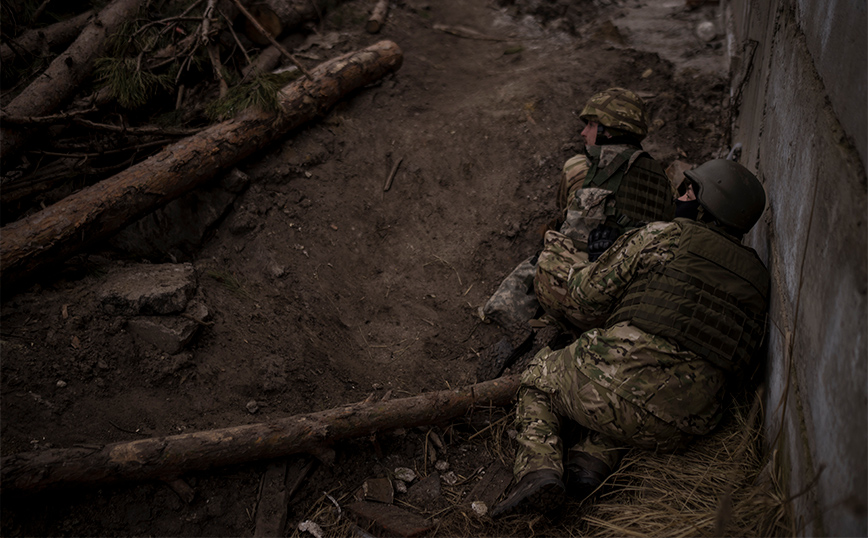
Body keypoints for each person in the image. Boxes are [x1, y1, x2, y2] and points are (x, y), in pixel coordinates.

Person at [490, 159, 770, 518]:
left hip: (617, 386)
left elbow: (585, 294)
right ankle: (591, 461)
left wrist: (559, 251)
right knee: (639, 394)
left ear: (706, 207)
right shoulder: (759, 279)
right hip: (686, 425)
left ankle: (537, 471)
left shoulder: (664, 236)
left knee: (538, 378)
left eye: (689, 191)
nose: (680, 195)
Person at [481, 88, 675, 333]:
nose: (584, 132)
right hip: (636, 306)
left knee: (548, 252)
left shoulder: (579, 167)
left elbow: (566, 227)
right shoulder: (662, 181)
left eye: (592, 125)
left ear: (609, 129)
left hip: (589, 302)